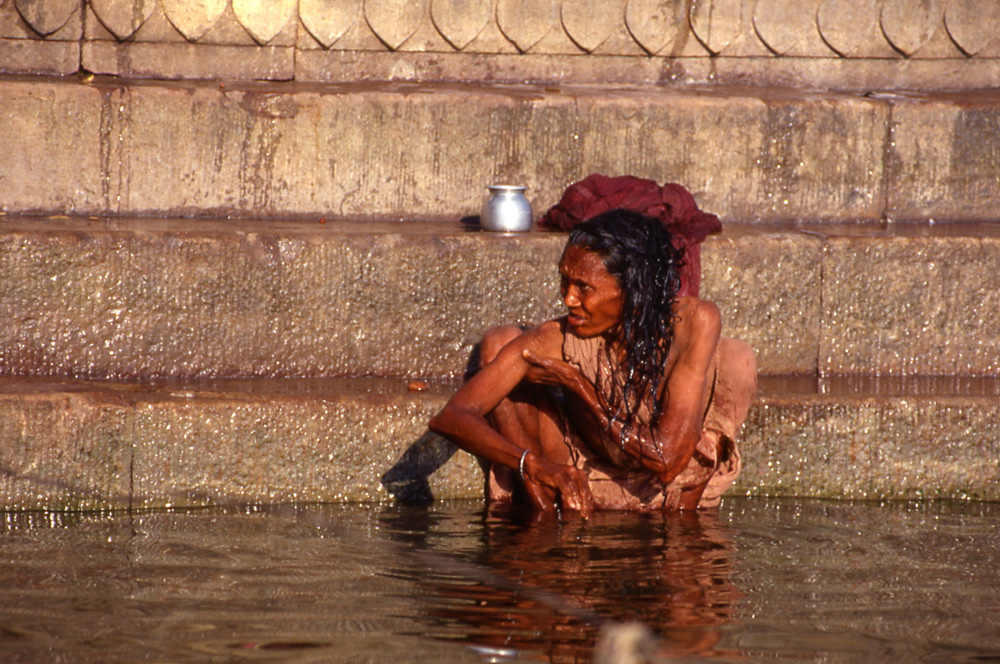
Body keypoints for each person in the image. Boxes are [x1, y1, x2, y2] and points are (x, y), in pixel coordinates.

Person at [429, 209, 756, 516]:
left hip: (667, 487)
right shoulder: (557, 338)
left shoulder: (693, 322)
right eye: (564, 282)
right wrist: (531, 464)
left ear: (632, 290)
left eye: (583, 287)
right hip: (581, 479)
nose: (568, 299)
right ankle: (542, 532)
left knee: (736, 358)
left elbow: (668, 461)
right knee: (503, 345)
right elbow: (452, 416)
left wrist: (581, 387)